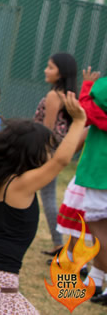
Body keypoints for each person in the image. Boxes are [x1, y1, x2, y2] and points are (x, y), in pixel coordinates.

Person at [0, 94, 86, 314]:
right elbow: (62, 160)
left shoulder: (4, 180)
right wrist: (78, 121)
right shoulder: (22, 184)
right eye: (47, 148)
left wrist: (90, 126)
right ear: (32, 152)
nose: (51, 153)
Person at [34, 53, 78, 256]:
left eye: (50, 67)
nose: (46, 70)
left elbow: (48, 129)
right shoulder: (67, 96)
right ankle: (58, 244)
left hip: (45, 152)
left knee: (48, 198)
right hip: (55, 152)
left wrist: (41, 156)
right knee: (48, 197)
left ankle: (59, 244)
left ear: (61, 72)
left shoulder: (54, 96)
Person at [75, 68, 107, 304]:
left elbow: (84, 111)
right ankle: (95, 281)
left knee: (99, 232)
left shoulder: (102, 89)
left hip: (101, 171)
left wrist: (87, 85)